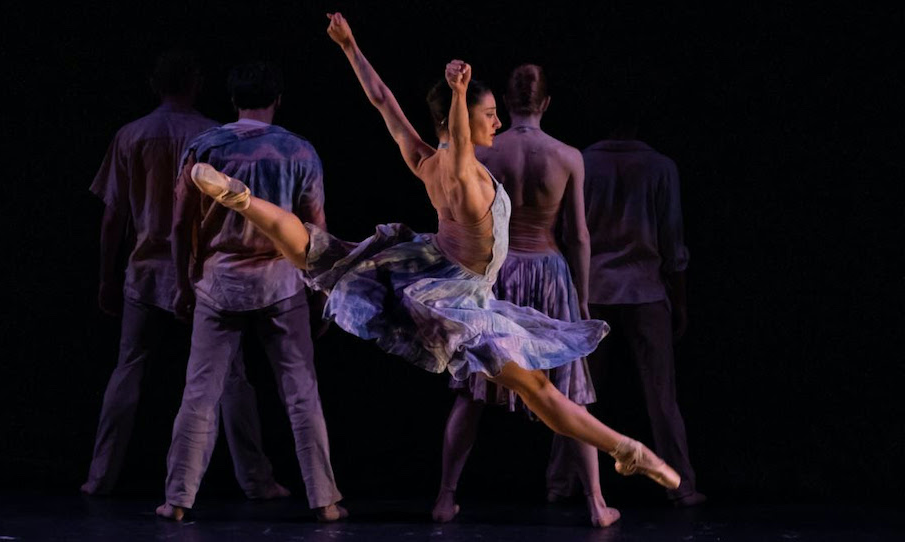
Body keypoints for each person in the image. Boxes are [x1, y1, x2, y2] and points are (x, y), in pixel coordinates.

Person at [187, 13, 681, 509]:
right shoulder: (465, 173)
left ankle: (244, 200)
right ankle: (626, 449)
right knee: (538, 390)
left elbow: (383, 101)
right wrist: (461, 91)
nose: (498, 122)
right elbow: (462, 143)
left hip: (426, 267)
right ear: (462, 119)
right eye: (490, 114)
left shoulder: (426, 161)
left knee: (319, 251)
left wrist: (350, 46)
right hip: (457, 295)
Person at [156, 60, 346, 523]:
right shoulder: (299, 152)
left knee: (200, 393)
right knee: (301, 392)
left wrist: (184, 280)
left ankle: (178, 500)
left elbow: (180, 226)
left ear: (233, 99)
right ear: (277, 99)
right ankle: (324, 500)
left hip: (218, 283)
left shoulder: (205, 147)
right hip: (281, 282)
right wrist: (324, 293)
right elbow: (315, 230)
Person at [430, 64, 619, 527]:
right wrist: (584, 297)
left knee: (474, 391)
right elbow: (577, 234)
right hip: (551, 274)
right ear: (546, 103)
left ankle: (444, 498)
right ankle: (596, 504)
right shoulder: (567, 155)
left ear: (506, 107)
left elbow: (455, 214)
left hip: (497, 271)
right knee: (568, 392)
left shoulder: (484, 152)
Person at [82, 50, 229, 496]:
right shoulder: (213, 135)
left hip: (145, 268)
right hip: (201, 272)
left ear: (154, 84)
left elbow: (113, 217)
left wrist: (107, 276)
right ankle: (251, 478)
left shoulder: (132, 134)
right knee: (226, 374)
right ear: (196, 82)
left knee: (129, 367)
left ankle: (100, 476)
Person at [582, 92, 706, 507]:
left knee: (579, 397)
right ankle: (680, 484)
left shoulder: (584, 162)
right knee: (661, 396)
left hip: (594, 289)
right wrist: (681, 301)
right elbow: (673, 243)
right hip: (645, 290)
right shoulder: (660, 167)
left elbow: (573, 235)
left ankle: (563, 483)